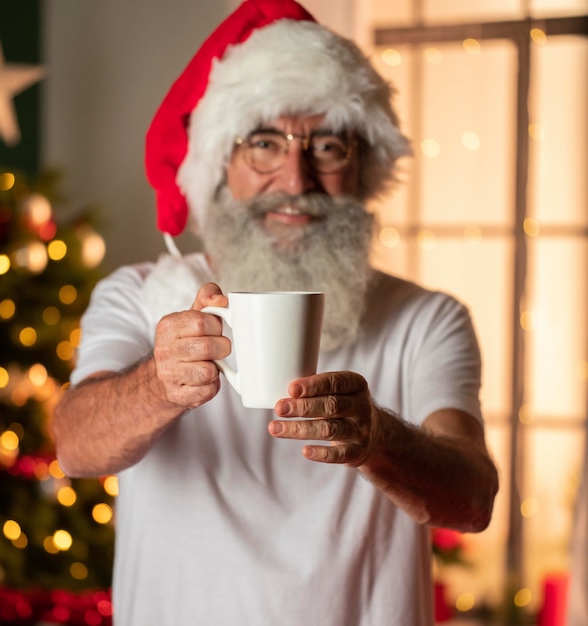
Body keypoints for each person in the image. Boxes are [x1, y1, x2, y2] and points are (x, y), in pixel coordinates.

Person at [52, 1, 499, 624]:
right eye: (264, 142)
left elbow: (472, 497)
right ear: (219, 167)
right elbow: (74, 445)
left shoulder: (426, 320)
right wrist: (157, 383)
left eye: (327, 144)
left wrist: (379, 438)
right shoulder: (135, 295)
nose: (295, 177)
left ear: (361, 166)